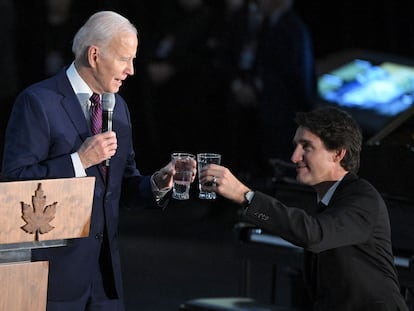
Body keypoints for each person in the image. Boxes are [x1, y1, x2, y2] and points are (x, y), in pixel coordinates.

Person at [1, 11, 196, 311]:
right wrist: (79, 161)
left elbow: (122, 188)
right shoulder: (38, 102)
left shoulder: (118, 109)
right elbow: (13, 183)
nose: (131, 70)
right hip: (48, 281)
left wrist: (158, 182)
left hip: (104, 283)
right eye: (124, 59)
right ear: (94, 55)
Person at [199, 107, 409, 310]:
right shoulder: (328, 200)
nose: (294, 157)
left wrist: (245, 196)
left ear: (337, 154)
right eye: (296, 146)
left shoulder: (363, 197)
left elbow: (314, 234)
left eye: (306, 147)